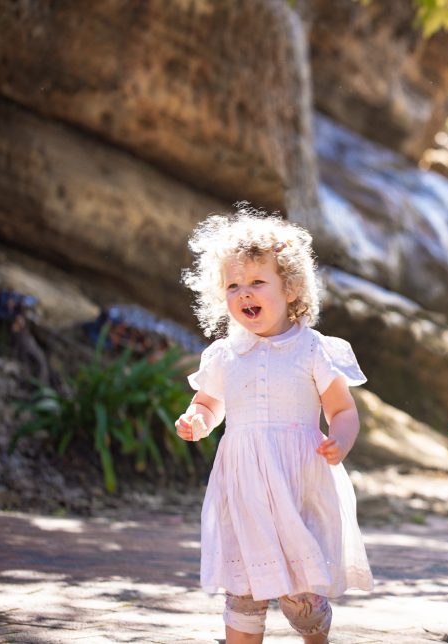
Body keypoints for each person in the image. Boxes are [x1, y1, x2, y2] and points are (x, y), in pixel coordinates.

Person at [175, 209, 372, 643]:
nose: (244, 292)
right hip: (243, 486)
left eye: (257, 282)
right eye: (233, 285)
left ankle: (314, 632)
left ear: (291, 287)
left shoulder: (314, 350)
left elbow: (343, 411)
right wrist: (198, 420)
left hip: (297, 481)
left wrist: (339, 440)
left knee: (301, 592)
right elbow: (209, 401)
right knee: (243, 585)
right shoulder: (225, 355)